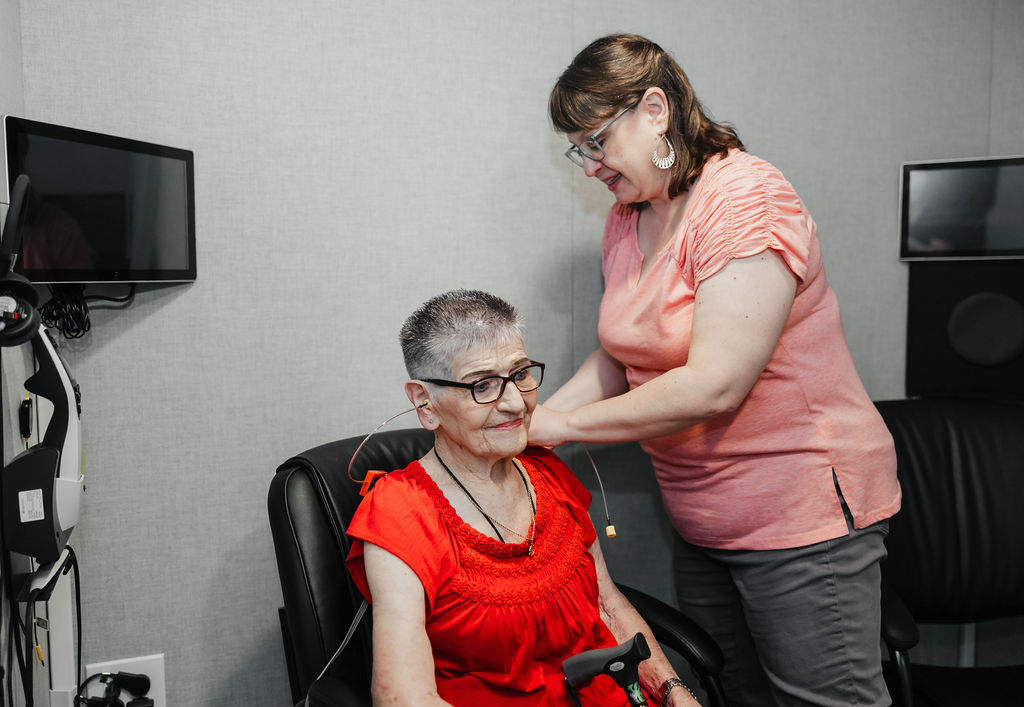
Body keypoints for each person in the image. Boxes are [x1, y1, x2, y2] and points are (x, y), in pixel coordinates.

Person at [530, 34, 902, 707]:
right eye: (576, 149)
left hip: (801, 515)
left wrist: (566, 424)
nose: (587, 165)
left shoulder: (745, 199)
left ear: (654, 109)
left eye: (596, 142)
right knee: (736, 694)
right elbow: (622, 353)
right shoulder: (628, 216)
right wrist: (538, 426)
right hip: (703, 516)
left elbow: (715, 382)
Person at [345, 289, 701, 706]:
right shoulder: (400, 513)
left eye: (520, 375)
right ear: (425, 402)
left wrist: (673, 690)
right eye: (483, 386)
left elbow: (608, 605)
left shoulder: (549, 474)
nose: (516, 403)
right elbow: (401, 698)